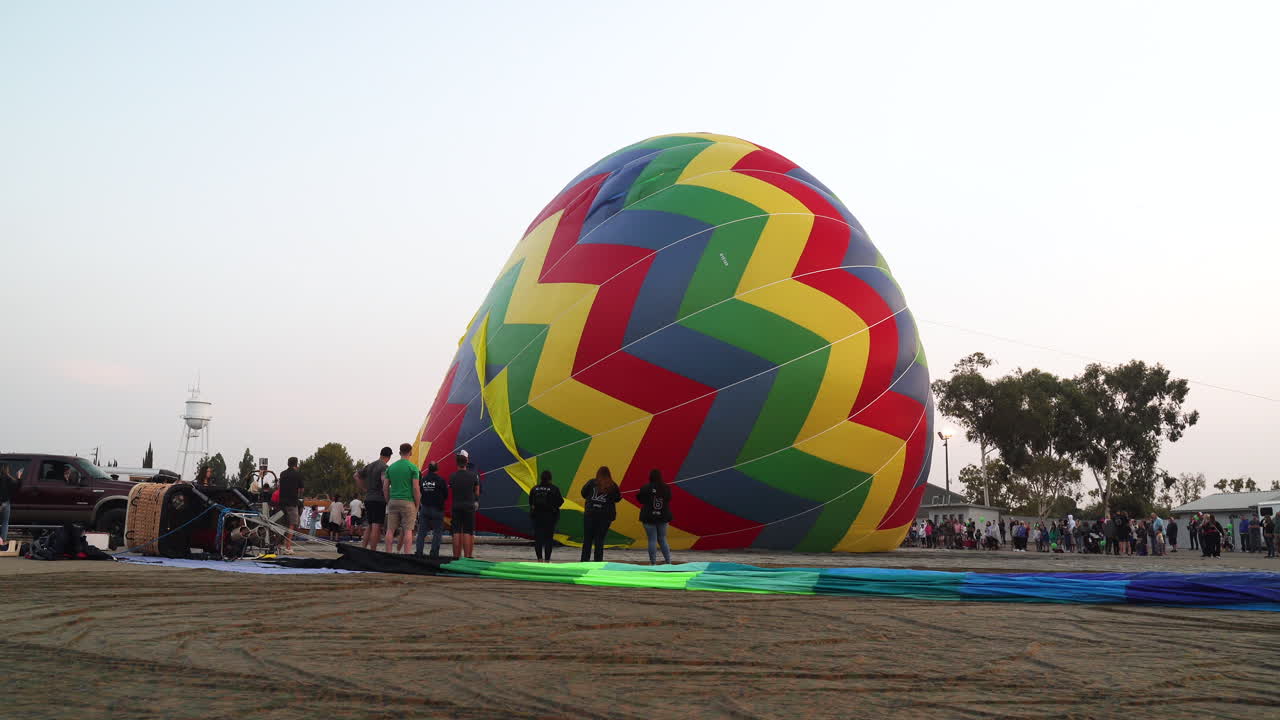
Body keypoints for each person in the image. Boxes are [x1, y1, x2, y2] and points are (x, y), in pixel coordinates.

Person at [381, 443, 420, 554]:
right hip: (408, 502)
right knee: (408, 530)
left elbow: (385, 487)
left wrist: (388, 501)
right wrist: (417, 504)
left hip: (393, 501)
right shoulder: (413, 468)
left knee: (390, 530)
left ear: (399, 452)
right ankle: (406, 555)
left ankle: (388, 554)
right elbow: (416, 488)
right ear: (411, 452)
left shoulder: (391, 467)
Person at [580, 466, 622, 562]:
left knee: (587, 540)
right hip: (605, 517)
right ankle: (598, 562)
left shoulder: (591, 482)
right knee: (599, 541)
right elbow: (618, 498)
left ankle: (584, 562)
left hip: (590, 515)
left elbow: (583, 493)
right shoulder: (612, 485)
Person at [356, 447, 392, 551]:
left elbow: (356, 476)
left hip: (368, 498)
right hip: (378, 499)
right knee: (376, 526)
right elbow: (384, 482)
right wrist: (387, 498)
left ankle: (363, 549)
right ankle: (373, 551)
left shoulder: (370, 465)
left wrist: (364, 488)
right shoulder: (384, 467)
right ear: (389, 457)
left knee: (370, 525)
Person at [449, 450, 481, 559]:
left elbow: (452, 489)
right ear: (466, 462)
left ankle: (456, 556)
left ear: (457, 463)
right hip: (469, 506)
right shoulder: (473, 476)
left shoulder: (452, 476)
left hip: (456, 505)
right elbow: (477, 492)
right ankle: (468, 556)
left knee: (456, 531)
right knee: (468, 531)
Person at [637, 469, 673, 565]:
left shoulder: (645, 487)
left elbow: (640, 499)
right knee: (662, 539)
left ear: (650, 477)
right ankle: (668, 562)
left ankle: (653, 563)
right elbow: (669, 498)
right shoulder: (666, 488)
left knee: (652, 539)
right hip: (663, 516)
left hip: (648, 517)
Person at [528, 470, 564, 562]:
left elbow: (530, 502)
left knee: (538, 539)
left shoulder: (534, 489)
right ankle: (547, 560)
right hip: (550, 517)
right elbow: (560, 502)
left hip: (537, 517)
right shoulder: (554, 489)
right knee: (548, 539)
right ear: (550, 479)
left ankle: (539, 559)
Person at [414, 462, 448, 557]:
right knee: (437, 532)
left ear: (428, 469)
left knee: (421, 532)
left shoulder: (423, 479)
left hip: (425, 508)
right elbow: (446, 494)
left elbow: (420, 491)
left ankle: (419, 552)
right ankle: (434, 553)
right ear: (437, 469)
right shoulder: (441, 480)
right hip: (437, 509)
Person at [278, 457, 305, 555]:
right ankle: (288, 546)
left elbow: (279, 486)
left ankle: (278, 545)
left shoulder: (282, 474)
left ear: (288, 463)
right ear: (296, 464)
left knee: (281, 524)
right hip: (292, 502)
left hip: (281, 502)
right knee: (292, 524)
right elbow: (301, 489)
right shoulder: (298, 474)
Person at [0, 463, 22, 552]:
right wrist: (19, 477)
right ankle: (2, 542)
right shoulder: (9, 479)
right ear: (7, 469)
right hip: (6, 503)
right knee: (5, 523)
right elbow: (17, 487)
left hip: (1, 502)